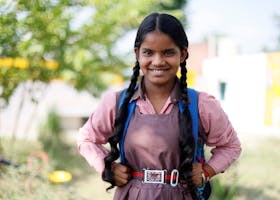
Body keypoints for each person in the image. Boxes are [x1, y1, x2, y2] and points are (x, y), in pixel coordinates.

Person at [77, 12, 241, 200]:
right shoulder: (117, 103)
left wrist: (207, 171)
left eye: (168, 52)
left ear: (183, 54)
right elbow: (86, 139)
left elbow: (231, 145)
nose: (158, 61)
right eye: (148, 52)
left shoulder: (201, 104)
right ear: (137, 53)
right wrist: (107, 168)